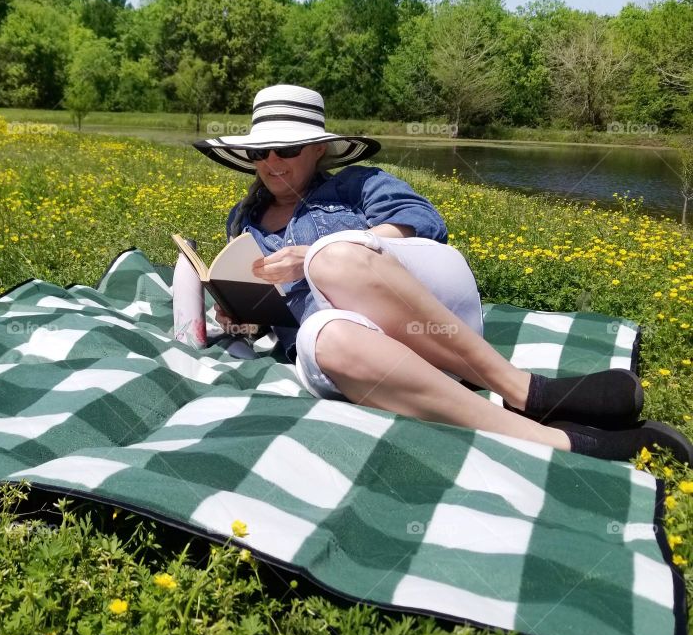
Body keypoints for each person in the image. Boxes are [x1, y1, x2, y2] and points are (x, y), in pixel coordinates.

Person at [193, 84, 693, 465]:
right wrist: (239, 313)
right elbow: (273, 322)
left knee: (331, 258)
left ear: (319, 148)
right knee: (323, 337)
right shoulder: (244, 220)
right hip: (371, 361)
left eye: (288, 149)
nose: (272, 163)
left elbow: (425, 222)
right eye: (262, 152)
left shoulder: (356, 185)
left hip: (424, 320)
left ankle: (525, 391)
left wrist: (315, 254)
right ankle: (556, 439)